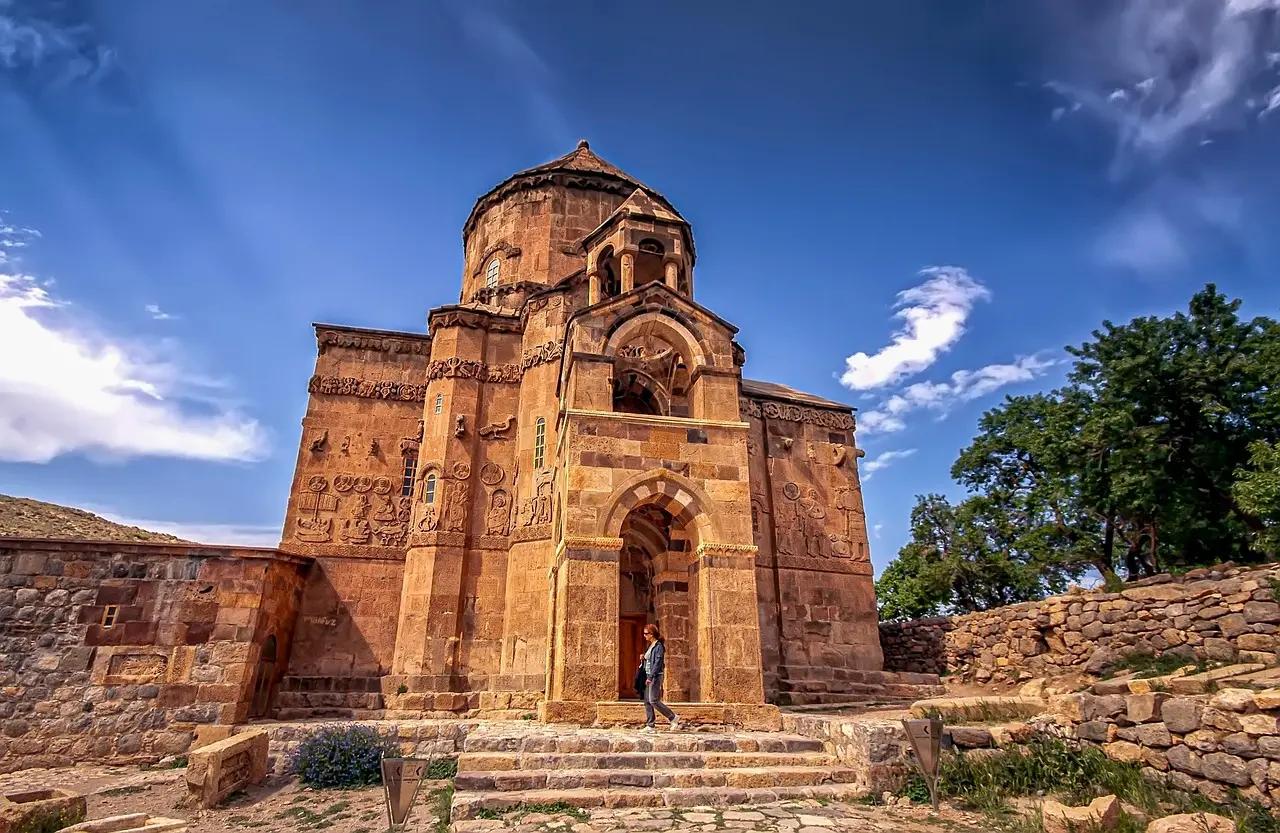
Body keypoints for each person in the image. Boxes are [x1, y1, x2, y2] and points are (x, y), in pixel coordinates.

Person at [639, 623, 681, 733]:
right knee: (647, 700)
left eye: (646, 634)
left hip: (655, 676)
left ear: (651, 634)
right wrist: (644, 657)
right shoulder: (651, 645)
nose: (644, 636)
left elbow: (657, 663)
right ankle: (651, 725)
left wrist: (651, 676)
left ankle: (673, 717)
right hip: (649, 674)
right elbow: (651, 660)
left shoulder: (658, 647)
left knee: (653, 700)